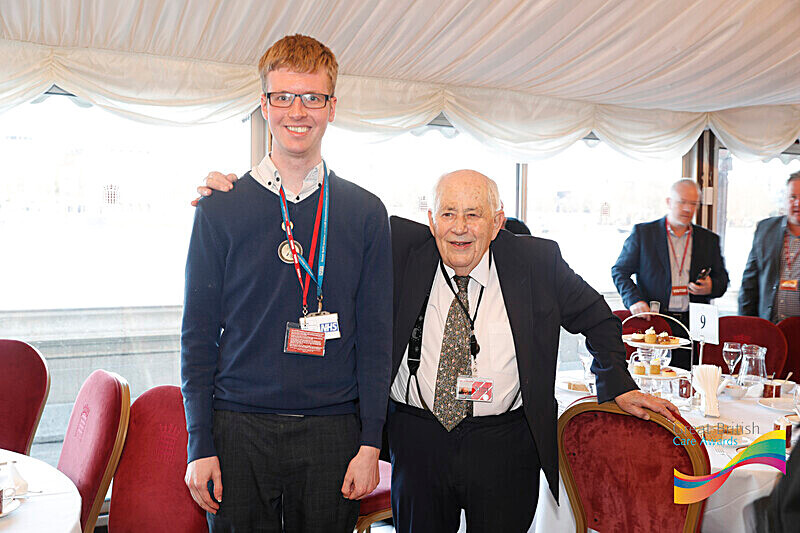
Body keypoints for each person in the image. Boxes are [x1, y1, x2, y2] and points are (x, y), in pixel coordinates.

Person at [198, 169, 677, 531]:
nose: (459, 227)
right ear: (431, 219)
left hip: (504, 445)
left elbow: (598, 316)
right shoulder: (400, 248)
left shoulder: (538, 262)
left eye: (473, 214)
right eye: (448, 213)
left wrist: (614, 382)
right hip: (420, 440)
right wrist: (238, 194)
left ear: (497, 221)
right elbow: (318, 221)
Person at [181, 34, 391, 533]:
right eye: (283, 96)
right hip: (238, 428)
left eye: (312, 97)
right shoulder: (220, 208)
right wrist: (199, 443)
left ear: (332, 107)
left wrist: (370, 443)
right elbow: (197, 335)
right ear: (264, 104)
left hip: (332, 431)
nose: (298, 111)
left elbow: (377, 339)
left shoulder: (365, 213)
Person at [611, 179, 729, 367]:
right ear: (668, 202)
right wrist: (634, 300)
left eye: (693, 204)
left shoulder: (709, 239)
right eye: (682, 202)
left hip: (692, 324)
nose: (687, 209)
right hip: (655, 321)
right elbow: (620, 271)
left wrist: (711, 287)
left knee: (685, 381)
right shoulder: (644, 234)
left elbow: (723, 280)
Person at [739, 171, 800, 322]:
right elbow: (749, 285)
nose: (798, 203)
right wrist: (747, 326)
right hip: (769, 329)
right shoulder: (766, 229)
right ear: (785, 200)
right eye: (793, 197)